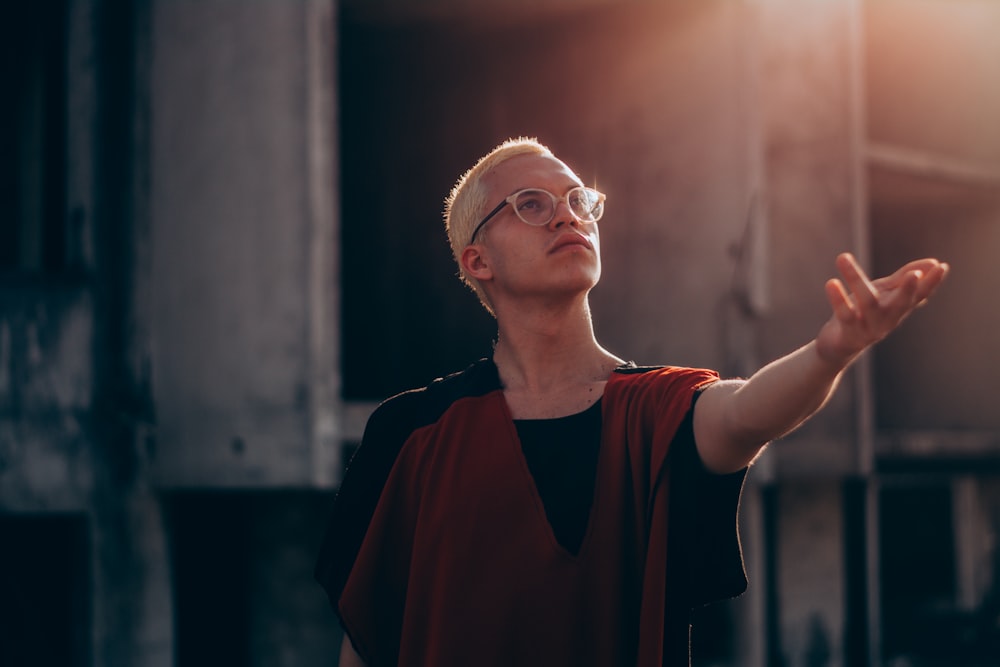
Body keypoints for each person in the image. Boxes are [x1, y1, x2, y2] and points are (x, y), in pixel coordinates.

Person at [315, 137, 949, 666]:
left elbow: (747, 411)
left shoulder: (655, 409)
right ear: (478, 260)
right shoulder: (411, 431)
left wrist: (829, 352)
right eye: (531, 205)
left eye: (578, 200)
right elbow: (366, 639)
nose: (568, 216)